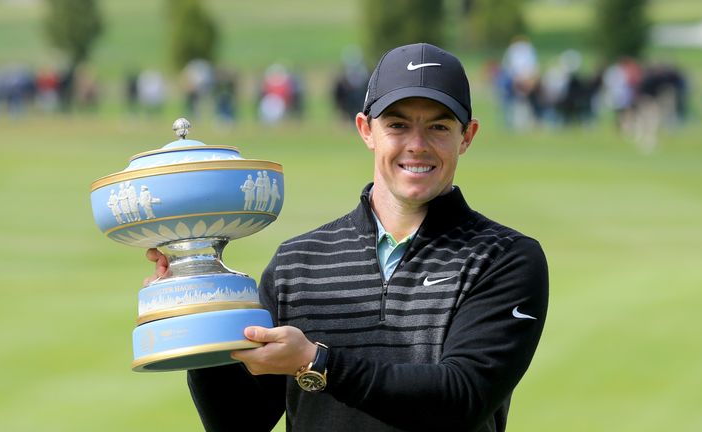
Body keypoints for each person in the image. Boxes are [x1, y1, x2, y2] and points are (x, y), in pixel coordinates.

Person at [146, 42, 548, 432]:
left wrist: (316, 362)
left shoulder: (505, 258)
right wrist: (199, 307)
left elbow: (460, 400)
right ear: (365, 129)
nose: (417, 145)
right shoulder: (298, 263)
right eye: (397, 125)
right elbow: (238, 421)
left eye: (439, 126)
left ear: (467, 136)